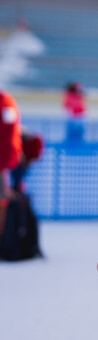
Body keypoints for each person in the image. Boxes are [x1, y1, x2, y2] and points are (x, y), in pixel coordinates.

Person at [0, 90, 22, 240]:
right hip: (7, 160)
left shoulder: (5, 101)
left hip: (4, 161)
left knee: (3, 200)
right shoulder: (7, 100)